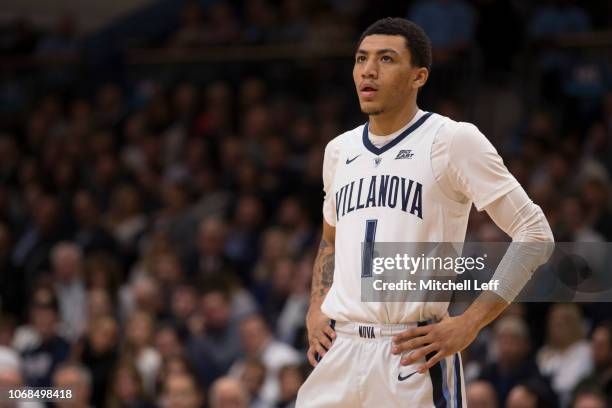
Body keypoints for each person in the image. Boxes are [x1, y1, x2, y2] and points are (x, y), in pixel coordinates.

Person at [296, 17, 554, 407]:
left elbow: (535, 235)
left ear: (419, 76)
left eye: (386, 59)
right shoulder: (338, 150)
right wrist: (316, 306)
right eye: (361, 58)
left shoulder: (453, 140)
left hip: (411, 353)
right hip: (340, 349)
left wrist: (470, 323)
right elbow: (330, 239)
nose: (368, 70)